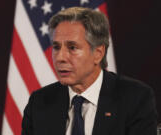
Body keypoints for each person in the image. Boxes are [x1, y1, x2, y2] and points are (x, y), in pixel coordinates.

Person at [22, 7, 157, 135]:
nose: (60, 57)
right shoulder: (39, 102)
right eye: (56, 47)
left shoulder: (134, 98)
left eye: (72, 47)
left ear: (98, 53)